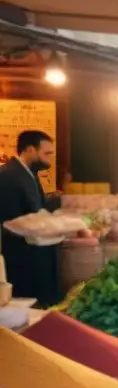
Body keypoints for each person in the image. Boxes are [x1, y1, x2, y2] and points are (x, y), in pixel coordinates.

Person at [0, 131, 62, 306]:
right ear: (29, 150)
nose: (50, 158)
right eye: (46, 153)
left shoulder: (27, 173)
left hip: (34, 254)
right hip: (22, 259)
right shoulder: (8, 176)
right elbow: (13, 222)